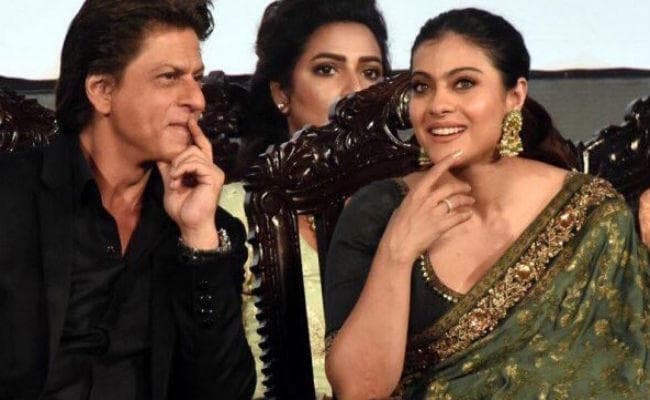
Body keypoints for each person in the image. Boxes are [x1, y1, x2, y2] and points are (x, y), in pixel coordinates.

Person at [324, 8, 649, 399]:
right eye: (422, 87)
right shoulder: (376, 210)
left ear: (515, 96)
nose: (438, 105)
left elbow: (626, 368)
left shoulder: (590, 212)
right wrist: (398, 251)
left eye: (463, 83)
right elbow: (358, 390)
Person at [0, 1, 255, 399]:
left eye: (197, 78)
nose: (197, 99)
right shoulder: (11, 196)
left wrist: (198, 241)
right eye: (169, 77)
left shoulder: (211, 229)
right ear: (102, 91)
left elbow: (225, 392)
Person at [217, 0, 390, 397]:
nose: (354, 91)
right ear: (282, 92)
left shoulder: (405, 203)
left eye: (371, 72)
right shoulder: (235, 212)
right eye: (327, 69)